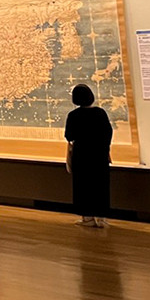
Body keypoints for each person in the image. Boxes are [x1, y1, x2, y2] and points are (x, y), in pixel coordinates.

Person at [65, 83, 113, 227]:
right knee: (101, 185)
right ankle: (102, 218)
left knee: (83, 186)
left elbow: (69, 135)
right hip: (99, 154)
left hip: (82, 155)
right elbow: (108, 132)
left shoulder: (73, 115)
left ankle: (87, 218)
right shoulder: (100, 113)